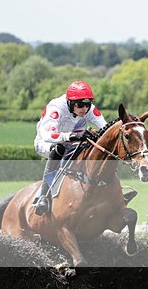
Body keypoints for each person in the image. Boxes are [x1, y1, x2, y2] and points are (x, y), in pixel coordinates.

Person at [33, 81, 107, 215]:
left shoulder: (88, 108)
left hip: (74, 143)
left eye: (87, 105)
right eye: (80, 105)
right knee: (59, 149)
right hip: (47, 142)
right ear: (70, 103)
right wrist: (72, 136)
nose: (84, 109)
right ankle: (43, 196)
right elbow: (46, 134)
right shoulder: (56, 108)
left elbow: (105, 128)